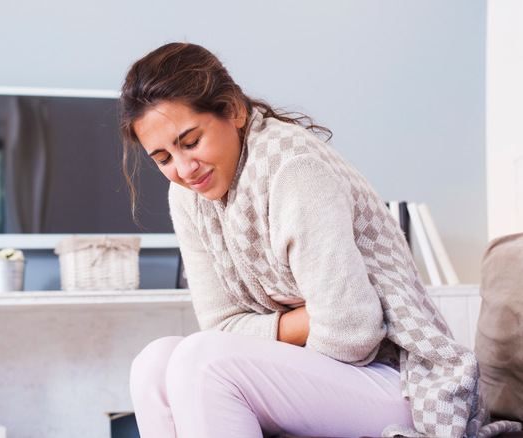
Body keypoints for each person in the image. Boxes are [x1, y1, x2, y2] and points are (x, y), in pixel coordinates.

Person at [118, 42, 521, 438]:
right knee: (153, 365)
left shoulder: (294, 169)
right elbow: (220, 324)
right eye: (163, 159)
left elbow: (350, 335)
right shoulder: (188, 197)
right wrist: (308, 319)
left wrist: (262, 351)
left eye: (191, 142)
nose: (184, 169)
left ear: (234, 110)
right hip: (320, 366)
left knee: (203, 360)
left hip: (400, 382)